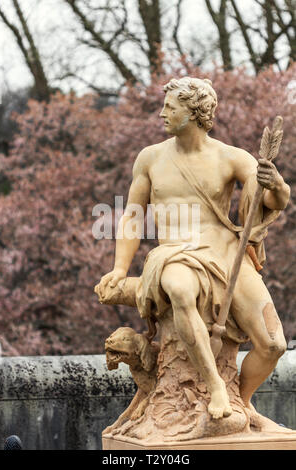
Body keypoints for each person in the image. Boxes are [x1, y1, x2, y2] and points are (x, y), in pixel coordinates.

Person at [97, 77, 290, 419]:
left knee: (274, 344)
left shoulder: (231, 157)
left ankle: (240, 402)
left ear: (195, 111)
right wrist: (120, 269)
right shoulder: (151, 158)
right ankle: (215, 386)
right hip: (174, 256)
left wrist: (274, 182)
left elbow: (275, 200)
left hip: (226, 258)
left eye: (171, 107)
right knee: (179, 289)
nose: (162, 113)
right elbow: (132, 215)